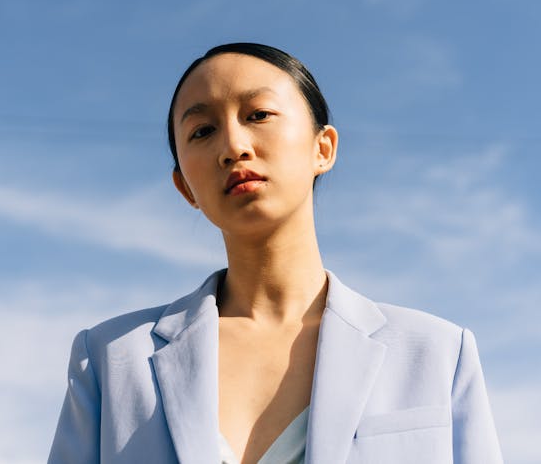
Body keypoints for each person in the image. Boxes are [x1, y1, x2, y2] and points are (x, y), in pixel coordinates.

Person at [47, 43, 503, 464]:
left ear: (322, 148)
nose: (233, 147)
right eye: (202, 130)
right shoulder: (109, 359)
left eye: (259, 114)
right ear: (185, 186)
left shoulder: (437, 353)